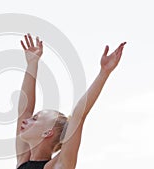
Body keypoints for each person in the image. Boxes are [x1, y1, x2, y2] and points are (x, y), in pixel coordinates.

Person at [16, 33, 126, 169]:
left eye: (35, 118)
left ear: (47, 132)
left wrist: (104, 73)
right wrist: (32, 63)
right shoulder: (23, 162)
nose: (26, 120)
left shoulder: (59, 165)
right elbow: (24, 110)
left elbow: (78, 117)